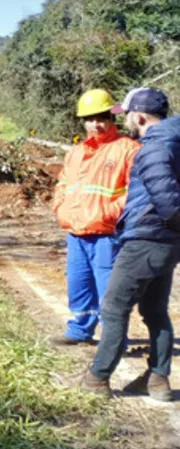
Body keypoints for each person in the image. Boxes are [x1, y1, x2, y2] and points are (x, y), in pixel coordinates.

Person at [57, 87, 180, 401]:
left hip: (146, 239)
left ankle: (97, 378)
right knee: (154, 310)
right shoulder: (170, 141)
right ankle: (158, 380)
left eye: (125, 115)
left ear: (138, 116)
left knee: (113, 308)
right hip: (165, 241)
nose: (124, 120)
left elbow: (167, 199)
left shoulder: (150, 148)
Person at [50, 89, 140, 346]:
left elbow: (136, 192)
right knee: (79, 285)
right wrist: (60, 207)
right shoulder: (76, 152)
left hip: (107, 234)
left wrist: (109, 215)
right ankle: (80, 329)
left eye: (101, 117)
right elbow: (63, 184)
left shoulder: (128, 149)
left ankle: (113, 339)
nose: (95, 124)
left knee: (109, 289)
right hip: (76, 232)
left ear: (112, 118)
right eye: (89, 119)